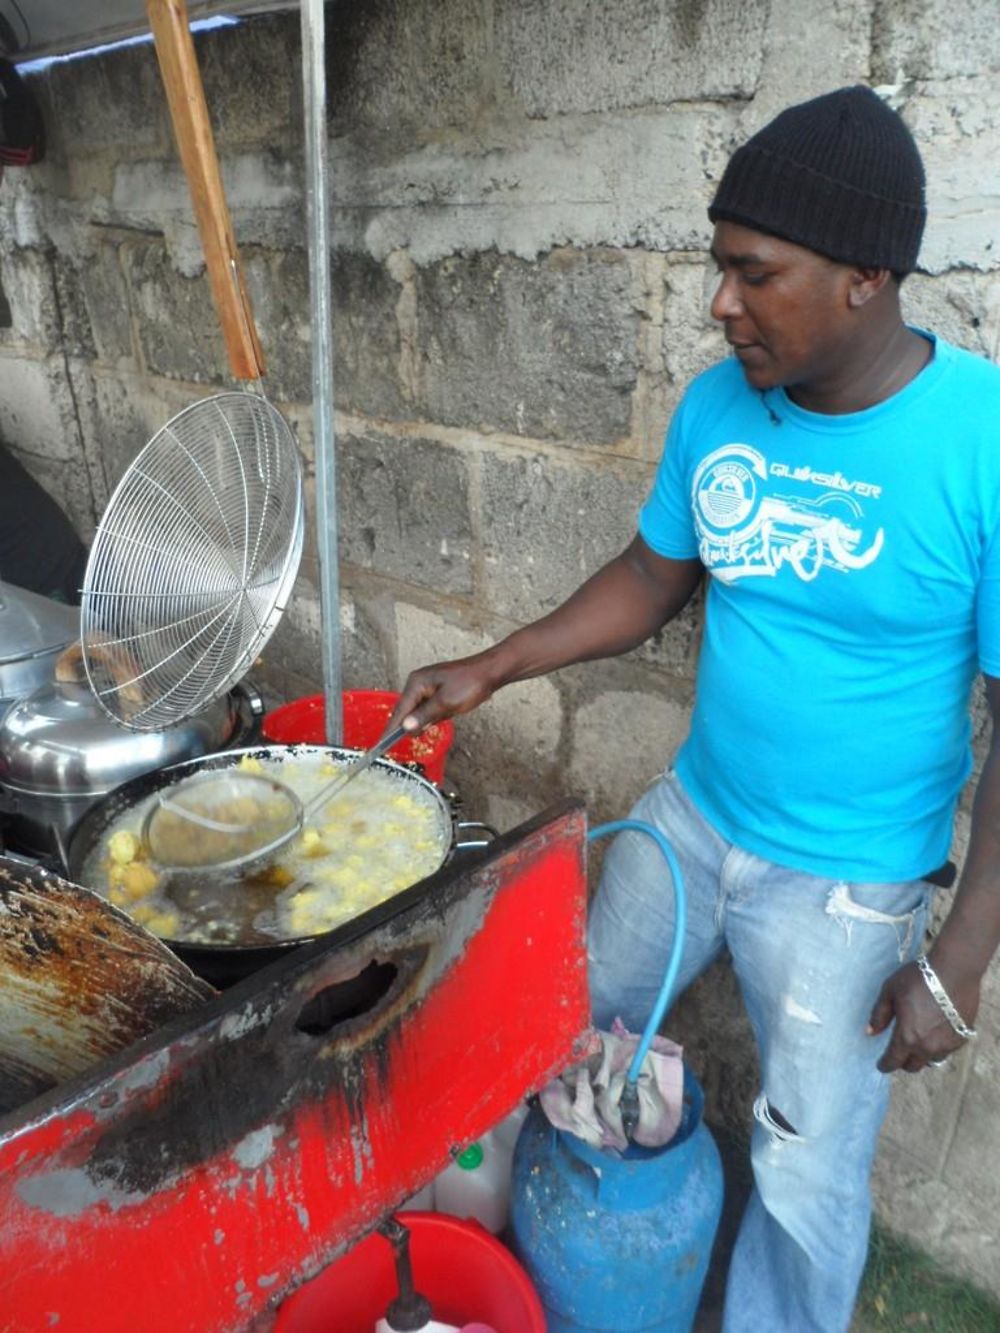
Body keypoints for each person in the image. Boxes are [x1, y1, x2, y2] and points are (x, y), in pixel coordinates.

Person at [389, 86, 1000, 1331]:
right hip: (689, 821)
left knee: (800, 1164)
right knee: (556, 1025)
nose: (719, 302)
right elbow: (653, 575)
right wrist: (493, 665)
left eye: (751, 273)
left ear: (865, 278)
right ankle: (497, 1258)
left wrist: (959, 957)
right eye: (721, 268)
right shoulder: (720, 404)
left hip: (846, 887)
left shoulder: (978, 443)